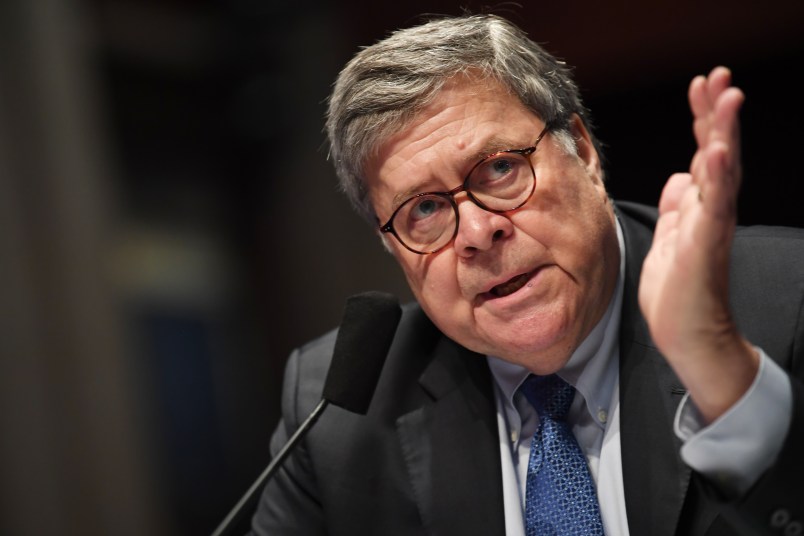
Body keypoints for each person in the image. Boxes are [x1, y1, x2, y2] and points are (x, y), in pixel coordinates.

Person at [250, 13, 804, 536]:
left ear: (583, 153)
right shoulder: (341, 410)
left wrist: (723, 377)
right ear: (391, 246)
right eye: (422, 209)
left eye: (499, 168)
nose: (474, 232)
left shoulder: (788, 296)